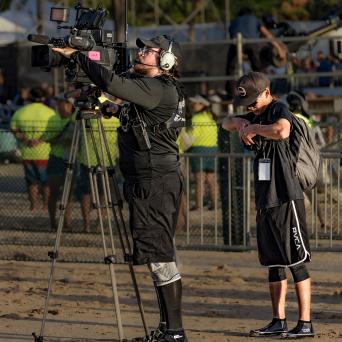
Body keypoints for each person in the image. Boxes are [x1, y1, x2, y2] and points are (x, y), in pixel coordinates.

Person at [53, 34, 187, 341]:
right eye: (142, 48)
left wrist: (78, 56)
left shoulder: (158, 88)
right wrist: (101, 102)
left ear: (166, 61)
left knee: (160, 256)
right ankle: (168, 330)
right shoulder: (155, 91)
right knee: (157, 256)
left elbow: (115, 85)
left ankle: (175, 333)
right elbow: (125, 111)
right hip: (149, 181)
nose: (140, 53)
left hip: (154, 182)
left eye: (149, 51)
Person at [222, 72, 314, 338]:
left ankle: (305, 323)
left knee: (296, 261)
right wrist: (241, 123)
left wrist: (255, 128)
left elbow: (282, 130)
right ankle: (278, 320)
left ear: (266, 92)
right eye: (245, 103)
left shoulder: (277, 108)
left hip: (286, 195)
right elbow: (226, 122)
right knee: (274, 263)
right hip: (265, 197)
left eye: (252, 101)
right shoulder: (254, 113)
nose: (250, 107)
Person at [10, 87, 56, 211]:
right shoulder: (50, 112)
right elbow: (54, 130)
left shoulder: (21, 112)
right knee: (46, 181)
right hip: (45, 153)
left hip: (27, 152)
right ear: (44, 98)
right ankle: (46, 205)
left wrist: (25, 140)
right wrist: (40, 140)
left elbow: (13, 128)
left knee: (31, 181)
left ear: (30, 97)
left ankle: (33, 205)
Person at [226, 7, 286, 95]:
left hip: (236, 44)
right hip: (252, 43)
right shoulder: (254, 19)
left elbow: (233, 38)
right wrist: (278, 48)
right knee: (259, 69)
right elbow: (267, 34)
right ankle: (263, 91)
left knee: (231, 70)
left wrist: (241, 53)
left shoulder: (234, 21)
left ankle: (232, 95)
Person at [44, 96, 75, 230]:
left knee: (68, 194)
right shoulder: (53, 119)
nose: (60, 106)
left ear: (69, 105)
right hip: (56, 159)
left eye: (63, 103)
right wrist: (62, 141)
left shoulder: (74, 119)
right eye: (59, 103)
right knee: (54, 192)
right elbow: (47, 139)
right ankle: (53, 223)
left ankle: (67, 223)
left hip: (71, 159)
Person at [187, 95, 218, 211]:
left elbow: (190, 138)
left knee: (199, 180)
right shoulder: (212, 118)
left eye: (196, 103)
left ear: (202, 105)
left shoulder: (195, 119)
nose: (193, 105)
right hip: (213, 150)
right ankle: (214, 204)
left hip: (198, 150)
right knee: (212, 180)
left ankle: (198, 205)